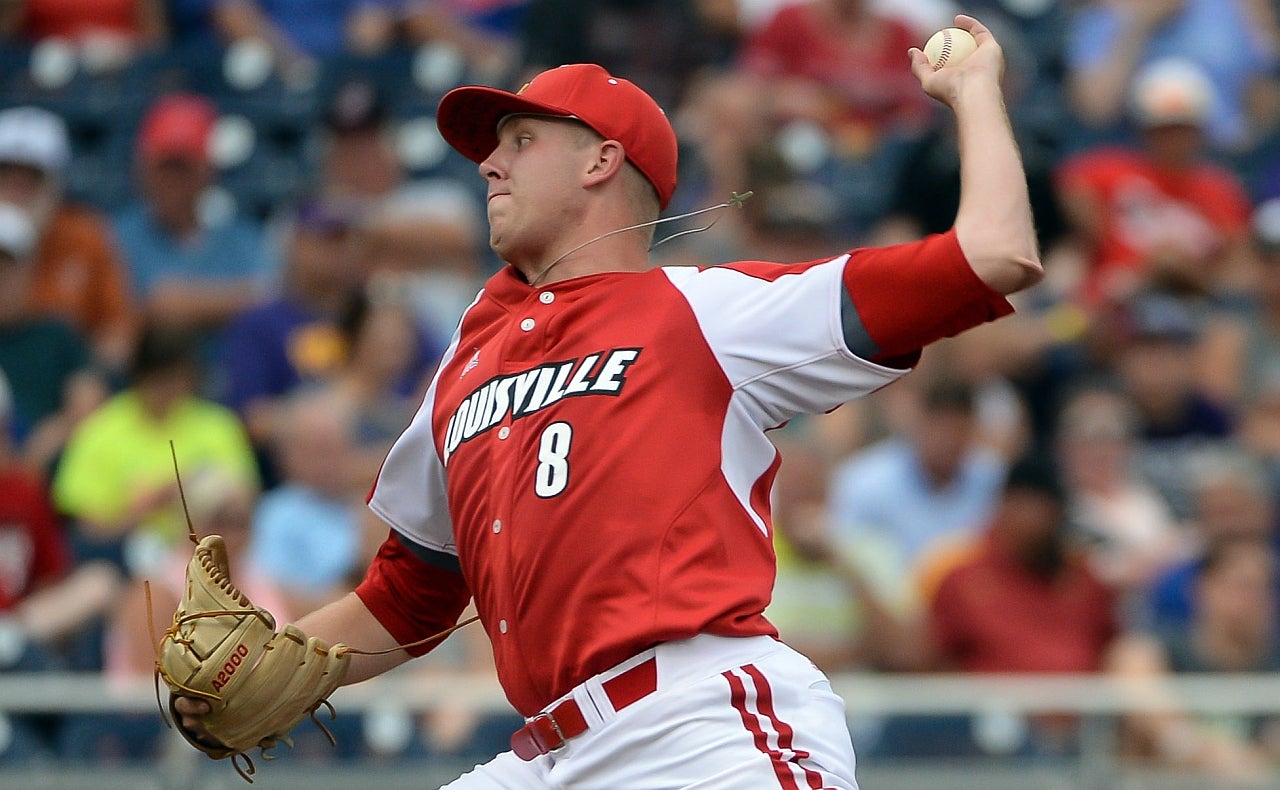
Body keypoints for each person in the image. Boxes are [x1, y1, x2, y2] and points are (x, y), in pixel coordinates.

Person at [176, 15, 1042, 788]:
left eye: (519, 139)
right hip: (549, 751)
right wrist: (281, 665)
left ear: (600, 159)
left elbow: (994, 255)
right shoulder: (463, 363)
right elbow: (413, 593)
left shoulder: (707, 311)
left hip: (700, 730)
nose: (488, 161)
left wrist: (972, 93)